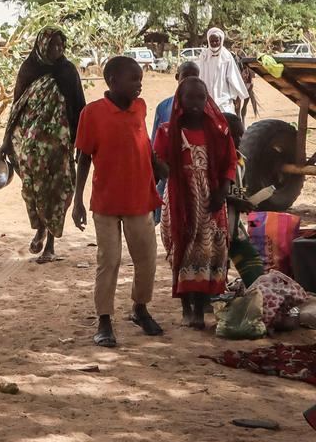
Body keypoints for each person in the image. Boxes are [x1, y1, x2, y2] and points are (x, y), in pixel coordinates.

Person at [73, 56, 166, 348]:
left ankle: (140, 308)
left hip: (140, 197)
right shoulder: (92, 113)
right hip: (106, 201)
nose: (139, 85)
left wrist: (164, 168)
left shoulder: (140, 108)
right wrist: (77, 201)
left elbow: (145, 148)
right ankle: (104, 320)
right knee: (109, 261)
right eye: (133, 79)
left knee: (146, 259)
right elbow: (84, 158)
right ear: (112, 81)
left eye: (140, 79)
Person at [153, 77, 237, 330]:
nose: (196, 103)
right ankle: (186, 307)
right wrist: (176, 175)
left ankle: (200, 308)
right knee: (181, 246)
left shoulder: (218, 131)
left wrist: (222, 190)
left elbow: (229, 163)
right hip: (181, 199)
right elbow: (158, 160)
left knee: (209, 252)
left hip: (211, 200)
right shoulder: (168, 131)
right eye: (190, 97)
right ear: (180, 99)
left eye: (201, 97)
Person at [0, 27, 86, 263]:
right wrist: (7, 141)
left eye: (61, 46)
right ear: (42, 45)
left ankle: (50, 245)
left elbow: (79, 106)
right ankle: (40, 228)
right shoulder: (29, 69)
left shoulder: (67, 71)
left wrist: (81, 142)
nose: (58, 50)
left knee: (57, 190)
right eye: (53, 45)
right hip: (30, 145)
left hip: (59, 146)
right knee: (32, 190)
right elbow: (17, 106)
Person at [153, 61, 201, 224]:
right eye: (186, 75)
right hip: (170, 171)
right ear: (176, 77)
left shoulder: (204, 105)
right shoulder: (164, 107)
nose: (190, 79)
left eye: (194, 75)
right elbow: (156, 143)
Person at [222, 111, 265, 287]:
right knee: (218, 260)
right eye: (234, 135)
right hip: (218, 222)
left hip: (234, 222)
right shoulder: (214, 161)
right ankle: (212, 295)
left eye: (241, 135)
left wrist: (246, 200)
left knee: (251, 260)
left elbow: (241, 188)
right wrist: (235, 201)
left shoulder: (240, 160)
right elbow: (209, 192)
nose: (239, 139)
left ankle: (256, 288)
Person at [197, 28, 249, 114]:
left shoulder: (226, 56)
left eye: (216, 41)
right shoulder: (204, 55)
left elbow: (233, 76)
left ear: (221, 40)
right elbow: (200, 75)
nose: (214, 43)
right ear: (208, 41)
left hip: (223, 99)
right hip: (206, 99)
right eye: (212, 41)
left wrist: (238, 95)